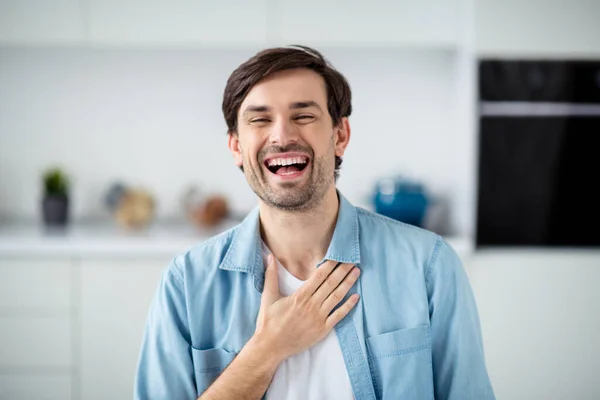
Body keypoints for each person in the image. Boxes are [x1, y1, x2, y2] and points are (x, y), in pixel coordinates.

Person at [134, 45, 495, 400]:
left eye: (303, 116)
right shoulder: (187, 284)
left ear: (340, 136)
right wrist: (266, 351)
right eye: (260, 119)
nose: (282, 135)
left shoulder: (428, 266)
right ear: (235, 147)